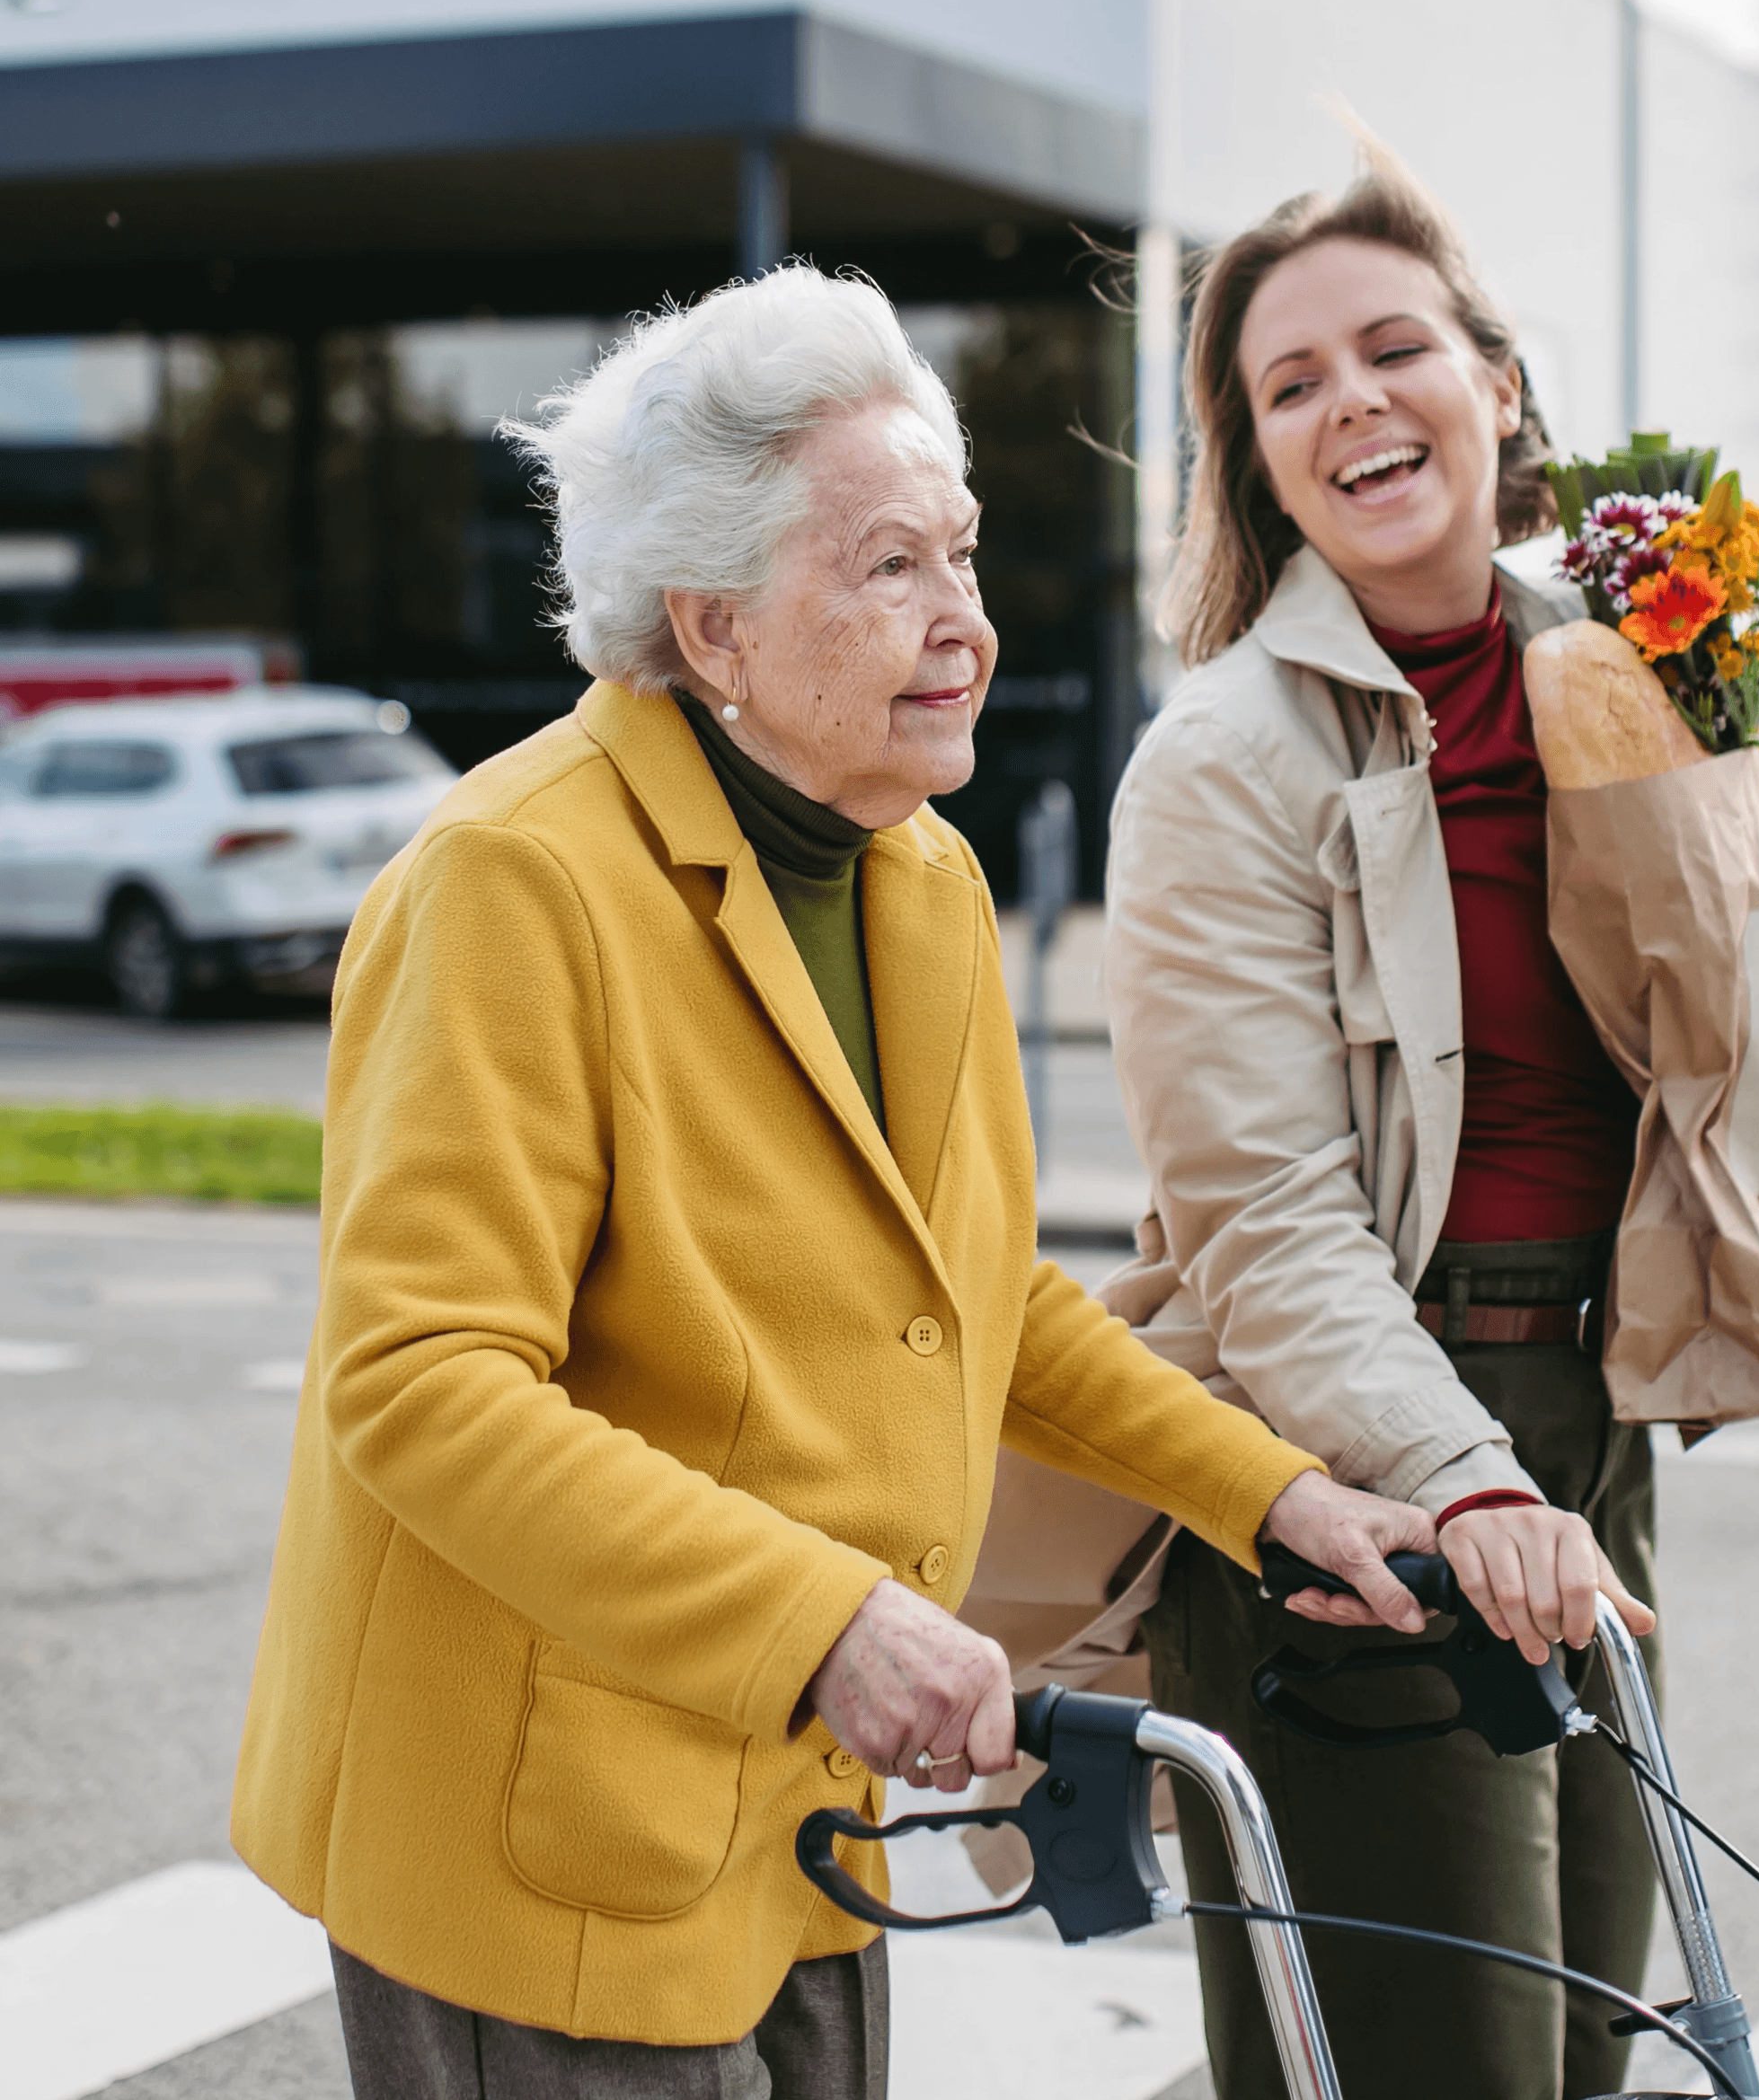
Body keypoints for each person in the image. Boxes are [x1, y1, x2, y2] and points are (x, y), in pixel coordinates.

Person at [230, 267, 1436, 2100]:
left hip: (788, 1794)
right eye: (889, 569)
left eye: (959, 557)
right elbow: (422, 1389)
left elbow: (972, 1293)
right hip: (543, 1815)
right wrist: (824, 1620)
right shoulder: (511, 886)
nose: (962, 622)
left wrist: (1271, 1495)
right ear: (708, 628)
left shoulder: (917, 874)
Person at [1102, 154, 1759, 2100]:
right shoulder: (1222, 760)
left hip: (1596, 1419)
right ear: (1253, 457)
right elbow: (1265, 1224)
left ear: (1493, 381)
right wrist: (1461, 1480)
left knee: (1584, 2048)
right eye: (1289, 383)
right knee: (1435, 2071)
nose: (1352, 402)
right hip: (1363, 1469)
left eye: (1394, 347)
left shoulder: (1633, 661)